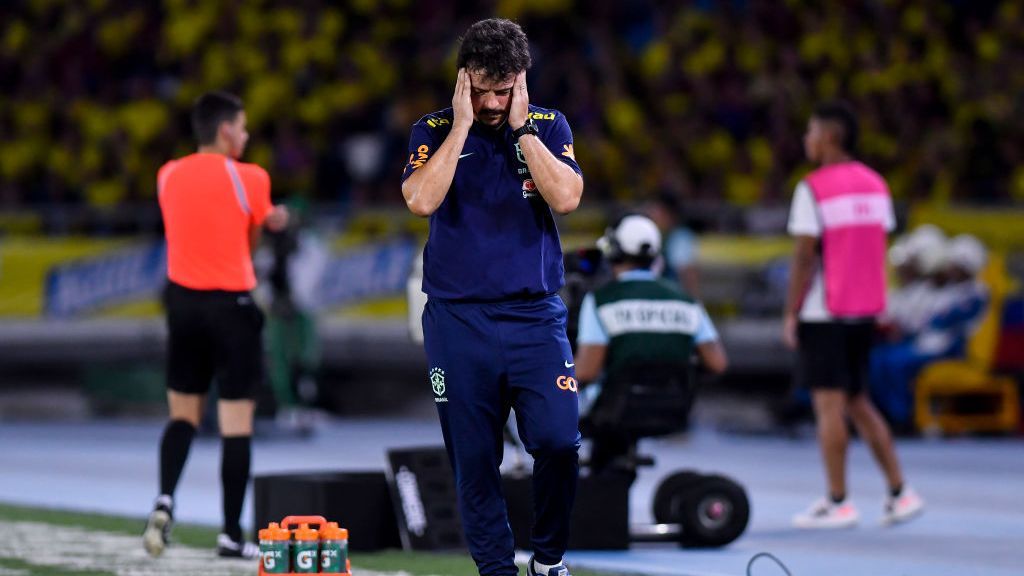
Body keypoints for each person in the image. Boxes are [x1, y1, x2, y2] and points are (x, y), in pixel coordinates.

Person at [401, 18, 584, 576]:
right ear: (464, 81)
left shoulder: (549, 126)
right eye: (480, 90)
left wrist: (524, 130)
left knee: (558, 442)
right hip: (459, 323)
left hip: (534, 317)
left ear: (521, 82)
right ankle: (497, 571)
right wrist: (459, 129)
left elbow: (568, 198)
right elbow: (419, 202)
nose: (491, 102)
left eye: (502, 90)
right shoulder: (432, 129)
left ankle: (547, 560)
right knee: (475, 462)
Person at [144, 91, 289, 559]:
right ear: (226, 131)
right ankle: (230, 535)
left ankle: (165, 499)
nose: (245, 136)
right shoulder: (250, 176)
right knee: (235, 425)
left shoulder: (167, 175)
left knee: (183, 416)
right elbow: (260, 231)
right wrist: (279, 219)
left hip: (182, 305)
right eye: (243, 128)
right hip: (232, 306)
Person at [783, 101, 924, 529]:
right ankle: (900, 493)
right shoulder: (876, 185)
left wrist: (791, 311)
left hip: (825, 311)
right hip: (865, 310)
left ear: (828, 138)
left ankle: (838, 500)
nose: (806, 140)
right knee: (859, 400)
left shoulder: (814, 188)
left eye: (810, 132)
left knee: (829, 406)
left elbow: (806, 256)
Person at [573, 215, 727, 474]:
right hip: (672, 408)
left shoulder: (601, 300)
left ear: (614, 252)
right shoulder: (686, 301)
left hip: (613, 410)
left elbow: (586, 371)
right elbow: (717, 363)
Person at [646, 193, 701, 298]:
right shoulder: (649, 237)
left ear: (669, 215)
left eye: (656, 212)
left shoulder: (680, 238)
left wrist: (694, 301)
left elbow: (688, 274)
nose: (651, 215)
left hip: (672, 298)